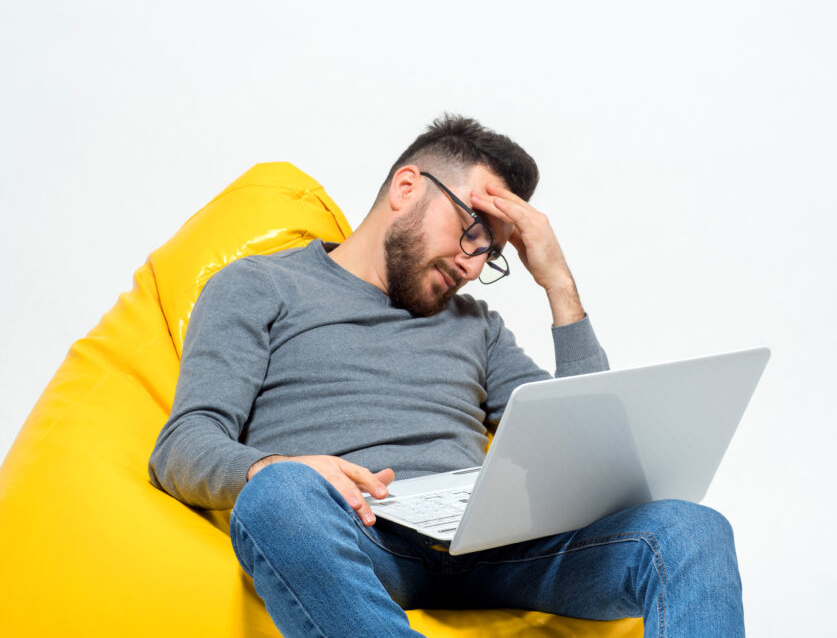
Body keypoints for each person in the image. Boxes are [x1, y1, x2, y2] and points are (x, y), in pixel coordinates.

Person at [148, 114, 745, 637]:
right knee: (277, 498)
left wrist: (559, 285)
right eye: (471, 232)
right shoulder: (261, 286)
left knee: (690, 530)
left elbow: (596, 449)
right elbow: (183, 445)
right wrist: (281, 468)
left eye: (493, 252)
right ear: (407, 188)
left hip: (492, 547)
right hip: (361, 534)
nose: (473, 262)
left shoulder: (476, 325)